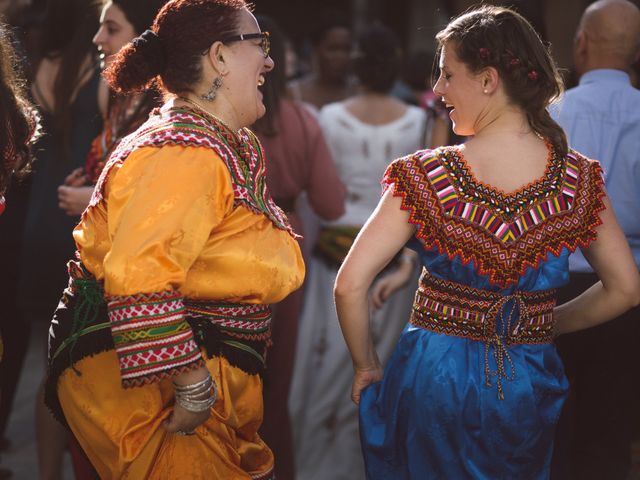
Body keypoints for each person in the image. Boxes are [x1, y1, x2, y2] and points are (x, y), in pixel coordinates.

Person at [334, 5, 640, 479]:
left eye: (447, 74)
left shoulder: (425, 176)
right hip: (526, 375)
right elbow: (625, 289)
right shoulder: (578, 179)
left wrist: (365, 366)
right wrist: (549, 323)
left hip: (434, 375)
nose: (437, 89)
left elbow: (350, 284)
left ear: (488, 80)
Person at [44, 0, 304, 478]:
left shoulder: (220, 141)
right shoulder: (183, 150)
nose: (270, 61)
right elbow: (137, 276)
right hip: (153, 403)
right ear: (219, 58)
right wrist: (193, 385)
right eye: (259, 45)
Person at [289, 24, 425, 480]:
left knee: (323, 371)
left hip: (337, 261)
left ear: (359, 63)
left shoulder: (328, 117)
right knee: (379, 369)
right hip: (393, 265)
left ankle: (311, 468)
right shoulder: (419, 121)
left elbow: (319, 200)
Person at [549, 1, 640, 478]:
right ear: (636, 53)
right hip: (629, 299)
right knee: (609, 435)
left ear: (580, 44)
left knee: (544, 430)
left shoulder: (548, 115)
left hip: (551, 289)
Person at [252, 15, 345, 480]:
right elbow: (331, 203)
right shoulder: (301, 120)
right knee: (277, 376)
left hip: (226, 243)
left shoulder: (220, 123)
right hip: (287, 247)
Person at [58, 0, 166, 216]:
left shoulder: (165, 107)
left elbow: (165, 197)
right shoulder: (111, 93)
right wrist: (88, 182)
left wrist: (96, 199)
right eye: (100, 27)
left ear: (144, 36)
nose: (97, 38)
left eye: (112, 29)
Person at [288, 11, 356, 111]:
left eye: (346, 49)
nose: (340, 56)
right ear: (316, 49)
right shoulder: (295, 93)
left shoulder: (359, 92)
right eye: (333, 49)